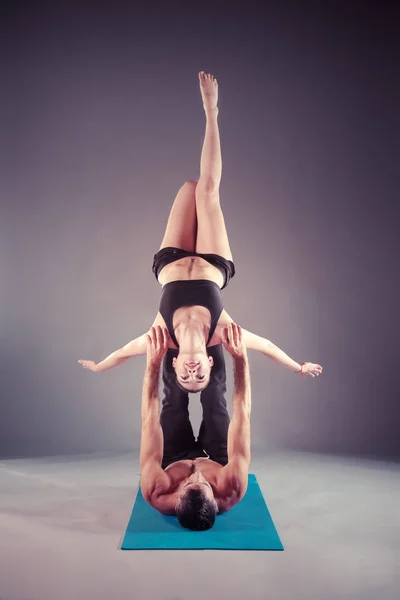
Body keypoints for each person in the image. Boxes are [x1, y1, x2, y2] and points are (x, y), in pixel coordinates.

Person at [78, 71, 323, 389]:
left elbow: (123, 353)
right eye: (200, 375)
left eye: (184, 375)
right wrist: (298, 367)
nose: (191, 371)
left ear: (175, 363)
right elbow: (266, 346)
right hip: (214, 261)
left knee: (188, 186)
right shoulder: (224, 333)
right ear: (210, 362)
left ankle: (209, 119)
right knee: (206, 190)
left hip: (171, 260)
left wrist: (99, 367)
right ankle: (212, 110)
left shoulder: (160, 338)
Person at [140, 323, 251, 530]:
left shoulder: (156, 490)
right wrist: (239, 357)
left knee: (173, 398)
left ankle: (180, 337)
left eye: (188, 483)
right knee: (215, 397)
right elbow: (242, 413)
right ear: (215, 501)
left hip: (174, 458)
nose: (195, 475)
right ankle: (208, 333)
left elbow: (149, 419)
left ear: (177, 498)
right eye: (204, 483)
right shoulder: (233, 486)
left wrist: (153, 363)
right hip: (217, 457)